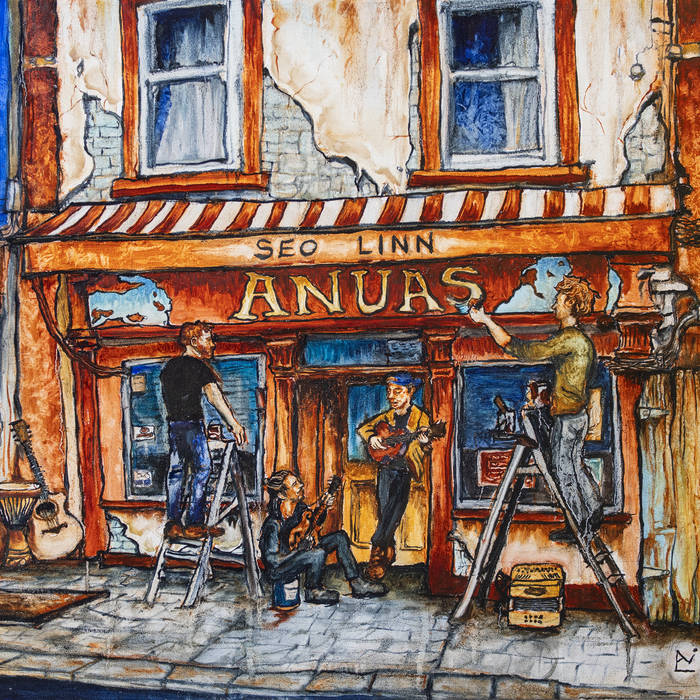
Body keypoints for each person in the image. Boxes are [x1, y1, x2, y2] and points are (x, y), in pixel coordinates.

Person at [468, 275, 604, 544]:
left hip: (567, 418)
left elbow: (526, 351)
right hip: (577, 415)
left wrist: (486, 321)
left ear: (570, 304)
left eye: (559, 300)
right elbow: (583, 380)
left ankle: (580, 526)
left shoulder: (569, 339)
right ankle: (593, 514)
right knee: (575, 466)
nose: (554, 305)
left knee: (563, 471)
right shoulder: (584, 343)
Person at [160, 321, 247, 539]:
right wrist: (234, 424)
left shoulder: (169, 368)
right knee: (202, 469)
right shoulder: (198, 367)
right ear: (194, 341)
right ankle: (194, 523)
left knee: (176, 472)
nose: (213, 344)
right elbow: (214, 396)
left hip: (174, 426)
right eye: (208, 339)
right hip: (192, 425)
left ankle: (173, 523)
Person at [259, 470, 387, 604]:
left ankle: (357, 583)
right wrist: (299, 551)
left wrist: (323, 508)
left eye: (298, 481)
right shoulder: (273, 524)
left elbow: (312, 525)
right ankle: (312, 590)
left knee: (340, 537)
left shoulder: (299, 509)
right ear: (282, 494)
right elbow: (273, 561)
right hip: (279, 570)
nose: (301, 485)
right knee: (317, 553)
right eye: (294, 484)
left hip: (299, 555)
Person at [357, 373, 431, 580]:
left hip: (405, 471)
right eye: (389, 391)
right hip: (385, 469)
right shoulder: (387, 417)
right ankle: (388, 550)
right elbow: (363, 429)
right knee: (385, 513)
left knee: (394, 512)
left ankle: (377, 554)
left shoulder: (421, 418)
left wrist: (425, 443)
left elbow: (428, 448)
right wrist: (372, 437)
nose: (391, 396)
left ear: (410, 392)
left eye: (397, 391)